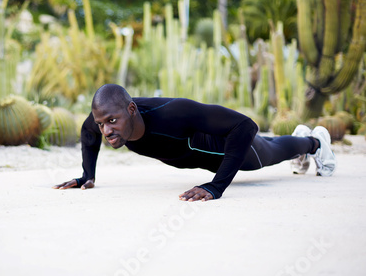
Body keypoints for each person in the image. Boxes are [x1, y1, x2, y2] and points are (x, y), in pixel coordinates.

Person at [53, 84, 337, 201]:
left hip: (224, 147)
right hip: (201, 156)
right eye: (102, 123)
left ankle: (314, 143)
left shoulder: (173, 112)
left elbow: (245, 125)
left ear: (130, 111)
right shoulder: (103, 117)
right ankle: (302, 140)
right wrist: (87, 175)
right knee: (271, 145)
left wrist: (216, 187)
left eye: (111, 121)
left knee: (269, 152)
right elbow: (88, 132)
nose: (106, 130)